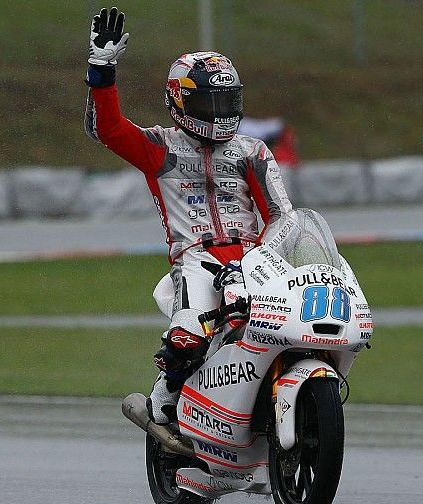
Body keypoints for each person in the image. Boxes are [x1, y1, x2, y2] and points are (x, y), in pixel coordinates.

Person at [84, 8, 293, 425]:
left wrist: (264, 260)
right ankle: (167, 396)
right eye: (208, 102)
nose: (219, 112)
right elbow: (108, 129)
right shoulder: (159, 147)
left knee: (293, 325)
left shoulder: (253, 151)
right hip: (197, 261)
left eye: (226, 101)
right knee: (187, 337)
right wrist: (101, 71)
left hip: (257, 260)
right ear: (180, 101)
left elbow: (282, 217)